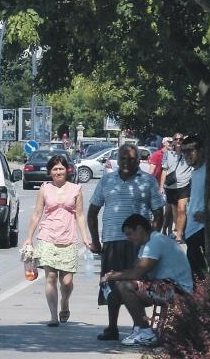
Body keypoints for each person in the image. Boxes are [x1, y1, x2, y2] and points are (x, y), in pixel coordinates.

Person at [87, 143, 165, 341]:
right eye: (123, 158)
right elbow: (93, 211)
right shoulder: (106, 180)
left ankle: (138, 326)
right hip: (112, 240)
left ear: (138, 161)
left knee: (135, 285)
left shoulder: (147, 181)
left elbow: (158, 212)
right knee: (111, 285)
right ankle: (112, 327)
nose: (126, 162)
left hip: (137, 244)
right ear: (116, 159)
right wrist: (96, 240)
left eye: (131, 159)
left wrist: (152, 239)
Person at [102, 213, 194, 345]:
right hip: (163, 285)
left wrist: (113, 276)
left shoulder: (155, 241)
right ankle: (137, 328)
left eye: (129, 234)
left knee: (125, 285)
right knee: (118, 287)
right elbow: (134, 270)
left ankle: (145, 331)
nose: (128, 239)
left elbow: (137, 273)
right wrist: (114, 275)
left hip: (177, 289)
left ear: (139, 229)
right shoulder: (146, 245)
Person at [22, 154, 92, 326]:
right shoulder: (45, 189)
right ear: (50, 172)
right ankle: (53, 316)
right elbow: (37, 214)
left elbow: (80, 215)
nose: (58, 171)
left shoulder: (76, 189)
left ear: (67, 170)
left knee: (67, 282)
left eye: (61, 168)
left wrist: (85, 237)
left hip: (68, 238)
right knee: (50, 277)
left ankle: (65, 303)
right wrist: (29, 238)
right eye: (54, 169)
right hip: (47, 236)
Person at [181, 133, 207, 280]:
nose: (187, 155)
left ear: (201, 150)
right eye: (184, 151)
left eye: (190, 150)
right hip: (191, 230)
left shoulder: (209, 171)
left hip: (202, 229)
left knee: (202, 277)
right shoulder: (193, 172)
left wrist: (208, 215)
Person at [159, 132, 193, 240]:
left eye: (181, 139)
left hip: (184, 185)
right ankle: (178, 230)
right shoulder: (168, 154)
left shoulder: (187, 154)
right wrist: (161, 186)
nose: (178, 141)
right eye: (176, 139)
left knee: (182, 209)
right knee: (175, 211)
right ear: (173, 141)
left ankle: (179, 235)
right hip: (171, 186)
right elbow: (164, 170)